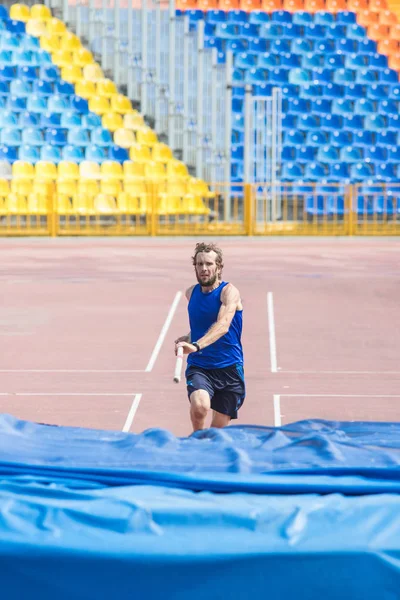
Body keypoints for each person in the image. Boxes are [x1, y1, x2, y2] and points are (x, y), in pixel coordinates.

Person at [175, 242, 245, 432]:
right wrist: (188, 339)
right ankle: (196, 439)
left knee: (216, 432)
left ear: (219, 267)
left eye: (209, 264)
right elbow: (203, 327)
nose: (204, 269)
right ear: (195, 267)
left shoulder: (229, 292)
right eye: (199, 264)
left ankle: (205, 443)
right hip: (200, 366)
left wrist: (196, 345)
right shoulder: (191, 293)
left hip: (229, 368)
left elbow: (222, 326)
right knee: (200, 407)